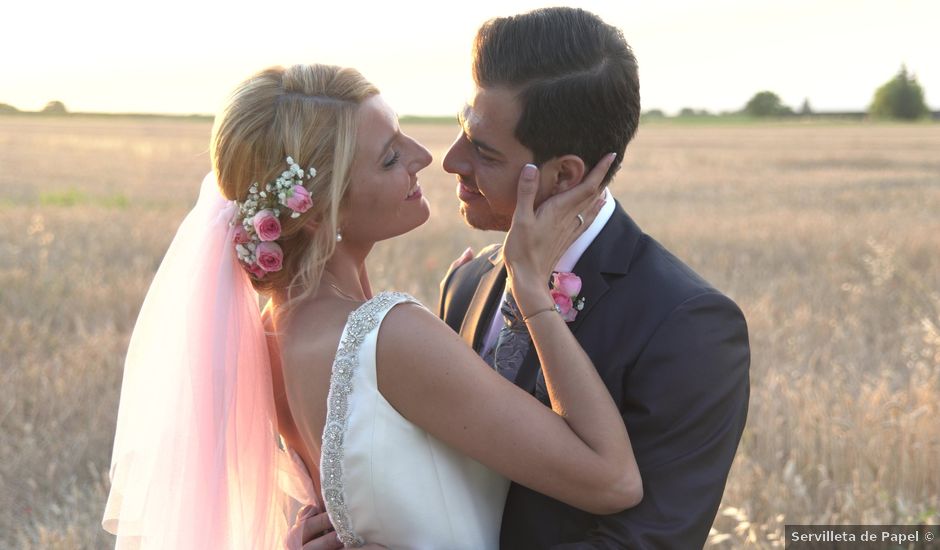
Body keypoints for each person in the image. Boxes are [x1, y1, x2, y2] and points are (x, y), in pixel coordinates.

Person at [102, 63, 642, 550]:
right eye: (389, 157)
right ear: (317, 212)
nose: (424, 157)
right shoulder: (386, 337)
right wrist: (530, 288)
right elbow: (611, 480)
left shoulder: (269, 333)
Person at [436, 7, 751, 548]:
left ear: (564, 175)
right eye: (463, 131)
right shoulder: (466, 284)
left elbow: (648, 540)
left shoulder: (689, 325)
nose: (450, 161)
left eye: (483, 151)